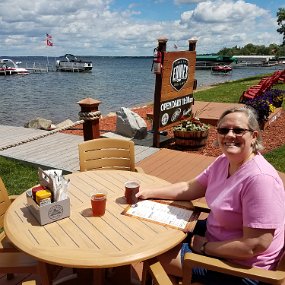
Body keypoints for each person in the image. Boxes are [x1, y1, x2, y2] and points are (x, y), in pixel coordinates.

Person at [136, 106, 285, 285]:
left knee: (154, 254)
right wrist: (150, 192)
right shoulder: (224, 161)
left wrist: (205, 247)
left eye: (238, 130)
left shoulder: (260, 179)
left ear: (253, 136)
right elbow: (191, 187)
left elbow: (254, 245)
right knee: (159, 230)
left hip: (243, 268)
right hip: (218, 234)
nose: (229, 135)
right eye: (223, 130)